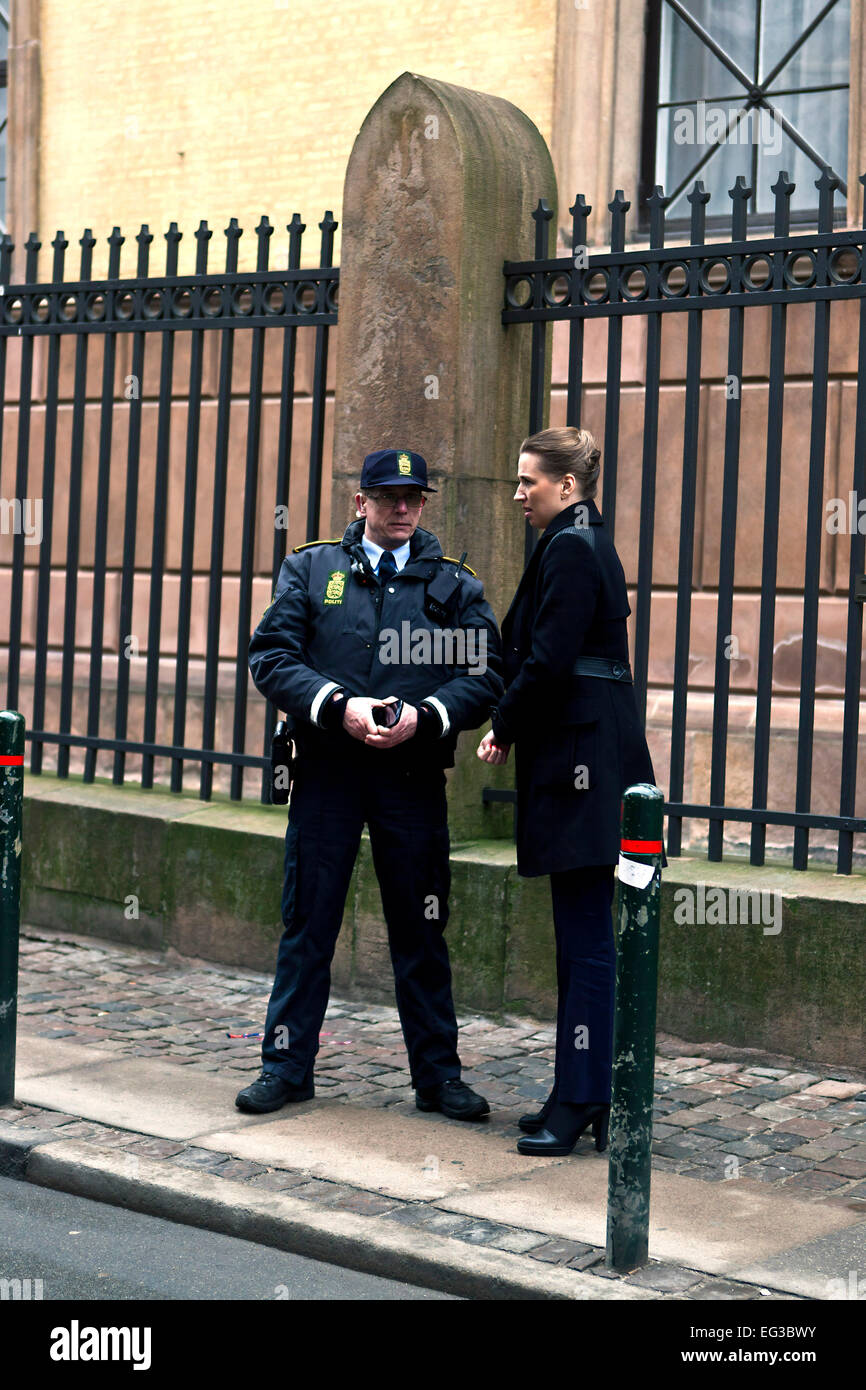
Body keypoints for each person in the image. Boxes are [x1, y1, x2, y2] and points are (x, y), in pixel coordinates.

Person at [237, 447, 504, 1122]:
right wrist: (335, 703)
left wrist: (428, 716)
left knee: (421, 931)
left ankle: (438, 1078)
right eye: (388, 497)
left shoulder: (451, 585)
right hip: (328, 772)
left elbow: (485, 673)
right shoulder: (313, 567)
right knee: (308, 924)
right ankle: (286, 1068)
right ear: (361, 503)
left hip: (410, 778)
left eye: (414, 497)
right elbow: (272, 657)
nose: (404, 508)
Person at [477, 426, 661, 1156]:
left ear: (567, 485)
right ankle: (577, 1091)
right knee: (581, 936)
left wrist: (503, 723)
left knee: (586, 941)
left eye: (530, 481)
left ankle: (585, 1096)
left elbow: (550, 660)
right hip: (589, 758)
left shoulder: (574, 547)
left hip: (585, 766)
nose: (520, 493)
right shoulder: (579, 541)